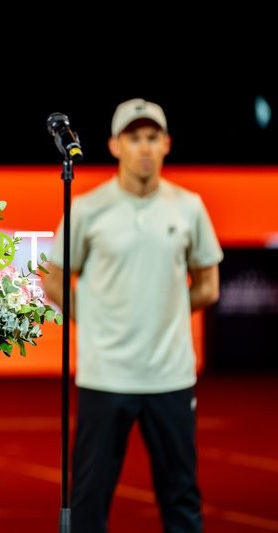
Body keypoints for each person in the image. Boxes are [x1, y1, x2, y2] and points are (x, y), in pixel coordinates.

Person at [43, 98, 223, 532]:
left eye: (152, 137)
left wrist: (164, 314)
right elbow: (54, 282)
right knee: (88, 501)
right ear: (115, 145)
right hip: (106, 377)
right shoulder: (87, 208)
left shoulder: (189, 206)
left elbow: (208, 285)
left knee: (181, 499)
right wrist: (102, 319)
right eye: (134, 138)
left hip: (171, 377)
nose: (144, 147)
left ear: (166, 144)